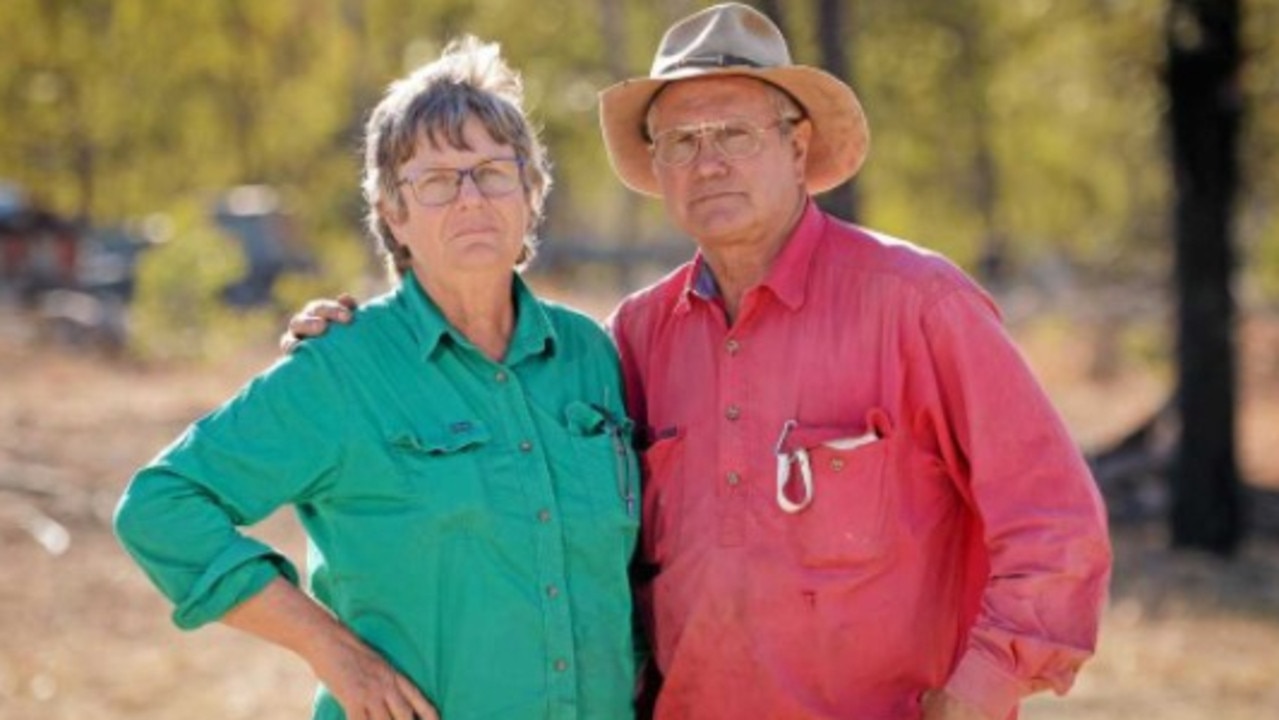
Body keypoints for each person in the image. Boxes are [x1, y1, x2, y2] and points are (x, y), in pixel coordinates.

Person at [288, 5, 1112, 719]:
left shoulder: (918, 306)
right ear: (656, 167)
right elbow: (519, 464)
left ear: (797, 148)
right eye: (679, 140)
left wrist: (977, 692)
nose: (707, 161)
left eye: (733, 133)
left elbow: (1054, 526)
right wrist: (362, 346)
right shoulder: (638, 337)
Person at [115, 37, 640, 720]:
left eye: (491, 171)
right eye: (436, 181)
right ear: (392, 215)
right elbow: (161, 506)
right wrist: (332, 652)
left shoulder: (590, 357)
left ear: (531, 193)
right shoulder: (341, 368)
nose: (470, 198)